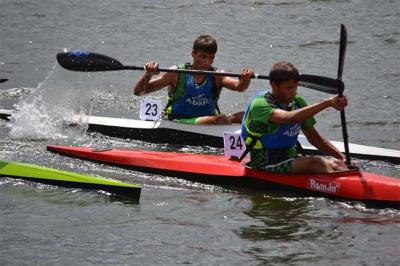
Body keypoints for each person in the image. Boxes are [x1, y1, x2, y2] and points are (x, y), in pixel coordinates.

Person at [241, 61, 349, 174]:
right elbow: (289, 118)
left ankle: (347, 182)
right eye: (289, 88)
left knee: (336, 164)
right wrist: (328, 103)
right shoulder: (260, 104)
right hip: (264, 164)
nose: (293, 92)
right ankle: (339, 188)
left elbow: (314, 137)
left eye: (295, 87)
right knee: (315, 162)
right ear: (273, 85)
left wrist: (341, 157)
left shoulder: (297, 102)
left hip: (289, 157)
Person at [134, 35, 254, 124]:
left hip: (210, 120)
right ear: (193, 53)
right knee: (221, 119)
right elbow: (139, 91)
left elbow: (239, 87)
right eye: (202, 57)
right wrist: (148, 74)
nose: (206, 62)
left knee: (248, 116)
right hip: (179, 121)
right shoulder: (176, 73)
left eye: (210, 58)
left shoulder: (217, 75)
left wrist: (246, 79)